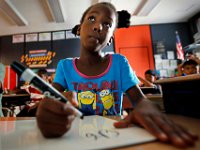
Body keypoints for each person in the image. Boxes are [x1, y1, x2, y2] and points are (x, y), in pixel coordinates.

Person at [36, 2, 198, 148]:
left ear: (110, 39)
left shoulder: (119, 63)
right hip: (76, 139)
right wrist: (48, 108)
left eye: (107, 24)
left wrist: (147, 107)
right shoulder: (65, 66)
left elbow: (140, 100)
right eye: (92, 18)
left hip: (114, 136)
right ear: (79, 28)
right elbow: (51, 99)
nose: (98, 26)